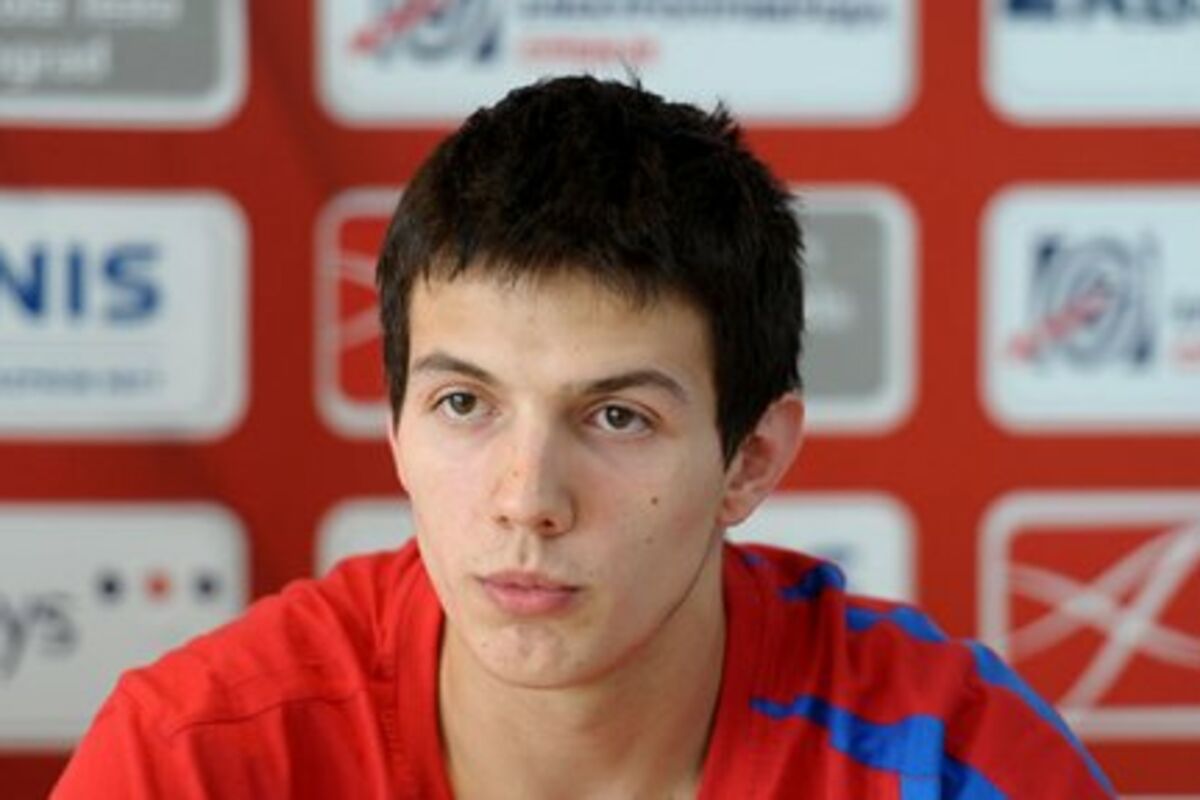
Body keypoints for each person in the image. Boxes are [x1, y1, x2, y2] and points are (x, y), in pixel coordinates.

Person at [53, 75, 1114, 799]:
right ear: (394, 425)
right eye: (464, 404)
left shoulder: (951, 758)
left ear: (750, 459)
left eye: (617, 416)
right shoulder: (197, 759)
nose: (527, 498)